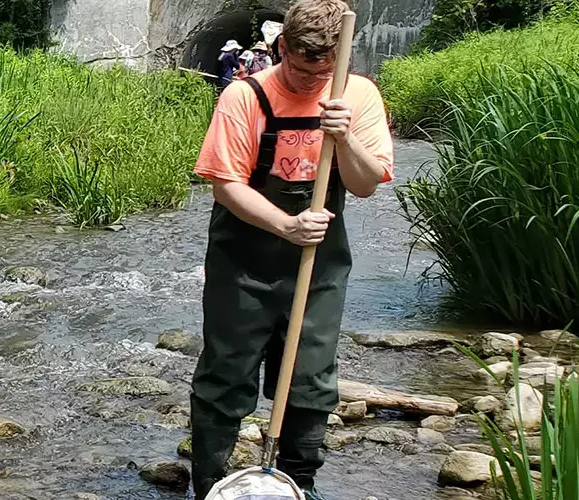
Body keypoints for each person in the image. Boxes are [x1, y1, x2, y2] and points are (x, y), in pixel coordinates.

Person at [188, 0, 395, 497]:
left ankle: (299, 484)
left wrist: (345, 139)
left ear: (341, 59)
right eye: (300, 69)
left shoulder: (359, 94)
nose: (309, 82)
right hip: (243, 263)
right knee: (226, 374)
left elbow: (366, 184)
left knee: (311, 376)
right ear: (283, 47)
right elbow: (225, 185)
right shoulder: (245, 96)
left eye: (321, 73)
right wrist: (287, 225)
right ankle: (210, 483)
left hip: (319, 265)